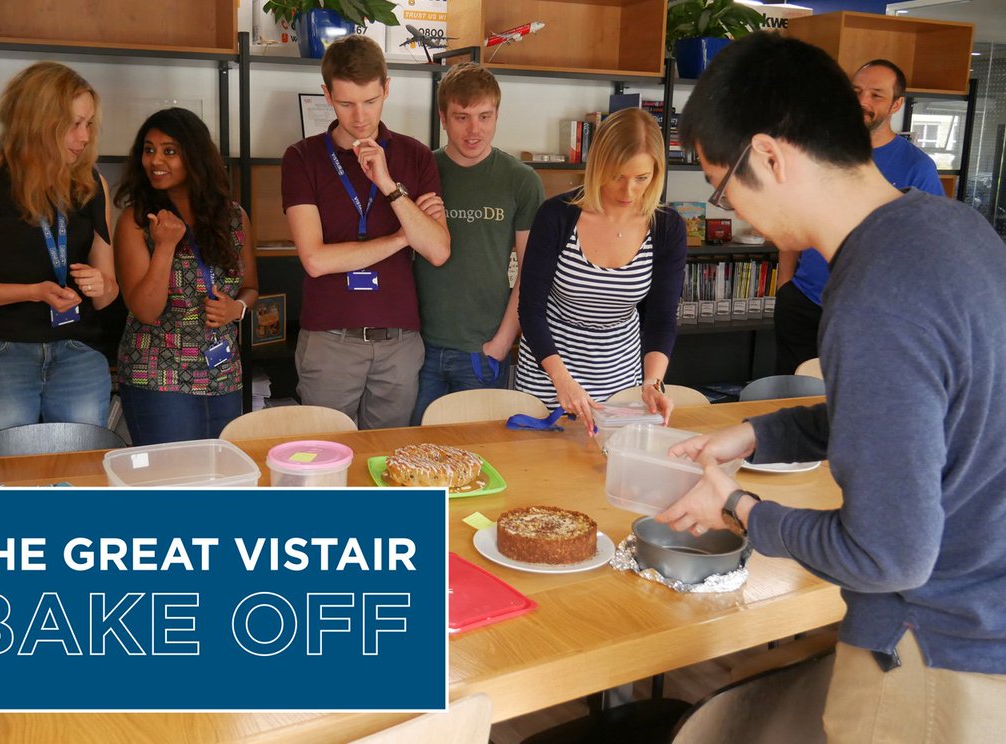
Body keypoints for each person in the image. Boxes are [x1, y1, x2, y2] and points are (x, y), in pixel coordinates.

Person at [658, 33, 1006, 742]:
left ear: (769, 156)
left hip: (927, 656)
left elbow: (887, 555)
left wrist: (742, 507)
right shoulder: (952, 228)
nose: (738, 214)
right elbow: (922, 409)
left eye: (721, 186)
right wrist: (758, 431)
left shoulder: (874, 293)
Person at [0, 62, 118, 442]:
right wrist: (33, 291)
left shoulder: (92, 184)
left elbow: (109, 293)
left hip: (77, 350)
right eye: (73, 123)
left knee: (78, 474)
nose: (84, 137)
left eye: (89, 124)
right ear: (37, 120)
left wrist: (102, 285)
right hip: (1, 351)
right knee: (11, 476)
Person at [281, 34, 450, 430]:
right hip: (330, 340)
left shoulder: (415, 155)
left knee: (386, 463)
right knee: (326, 461)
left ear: (387, 88)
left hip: (399, 342)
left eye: (370, 101)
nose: (359, 117)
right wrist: (402, 237)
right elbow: (316, 260)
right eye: (346, 103)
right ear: (326, 94)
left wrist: (389, 184)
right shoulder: (302, 157)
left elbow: (438, 250)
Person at [515, 108, 686, 434]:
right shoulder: (557, 216)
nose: (629, 192)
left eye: (641, 178)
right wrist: (562, 381)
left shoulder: (666, 228)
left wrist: (653, 382)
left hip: (620, 379)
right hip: (549, 373)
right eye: (617, 176)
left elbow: (662, 318)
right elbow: (531, 310)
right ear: (598, 166)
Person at [773, 58, 943, 374]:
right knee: (790, 403)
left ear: (897, 104)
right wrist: (785, 286)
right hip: (805, 304)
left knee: (852, 411)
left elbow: (927, 252)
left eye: (876, 94)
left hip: (870, 316)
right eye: (856, 91)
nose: (862, 101)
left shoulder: (917, 168)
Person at [409, 62, 544, 425]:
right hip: (416, 348)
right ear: (443, 117)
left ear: (497, 115)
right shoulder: (420, 171)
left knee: (477, 457)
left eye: (485, 116)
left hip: (481, 351)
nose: (474, 130)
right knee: (414, 455)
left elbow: (531, 273)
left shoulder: (521, 181)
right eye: (462, 117)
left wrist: (501, 343)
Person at [113, 108, 258, 444]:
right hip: (159, 375)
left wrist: (237, 309)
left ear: (195, 156)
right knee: (173, 480)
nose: (155, 160)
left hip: (223, 372)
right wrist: (164, 246)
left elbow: (250, 287)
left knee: (222, 476)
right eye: (148, 150)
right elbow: (145, 310)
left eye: (169, 151)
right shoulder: (136, 220)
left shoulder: (234, 217)